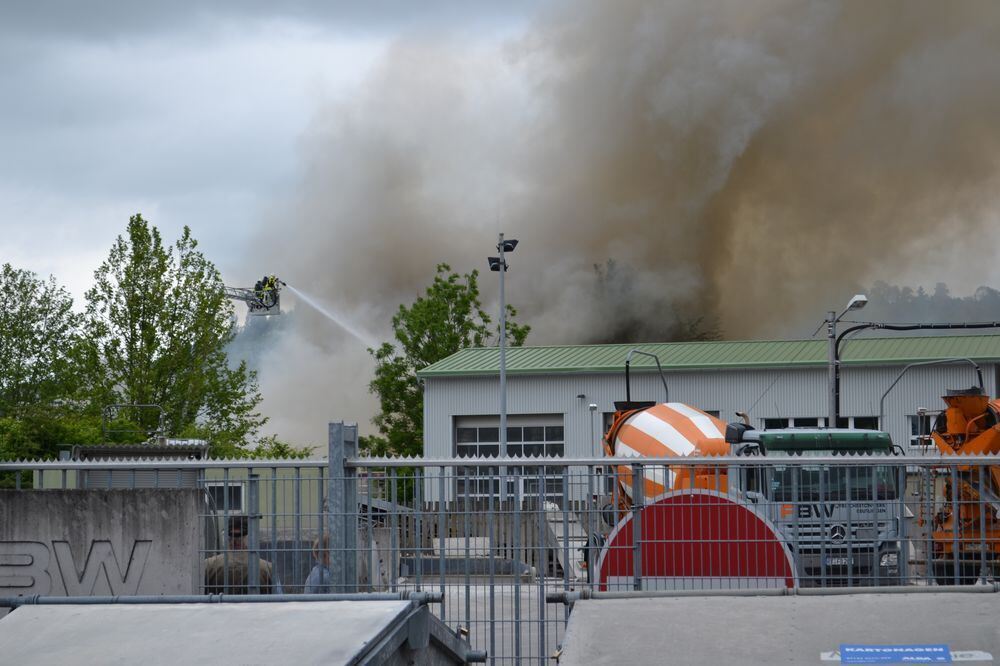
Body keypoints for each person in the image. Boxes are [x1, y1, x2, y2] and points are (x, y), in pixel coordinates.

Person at [204, 515, 274, 594]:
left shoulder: (208, 565)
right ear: (250, 538)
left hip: (218, 606)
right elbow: (279, 599)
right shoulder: (267, 568)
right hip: (256, 606)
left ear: (227, 538)